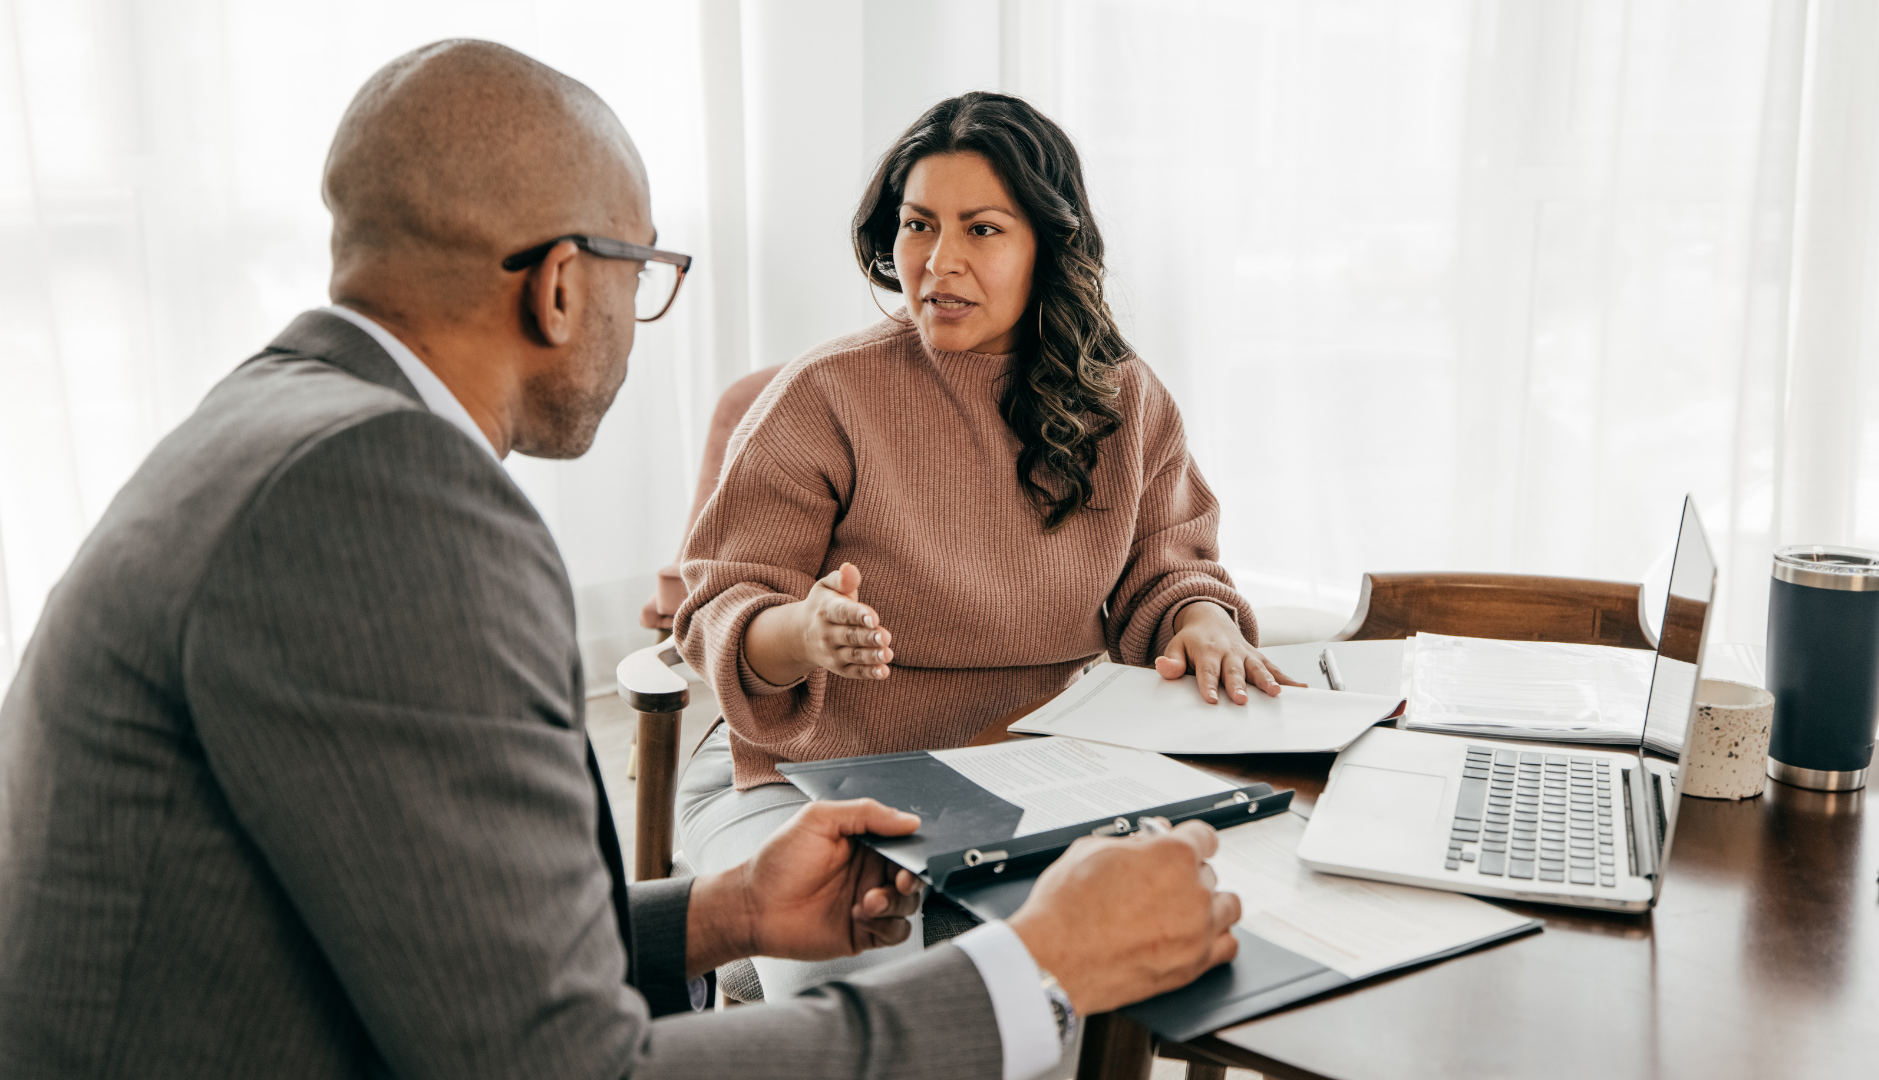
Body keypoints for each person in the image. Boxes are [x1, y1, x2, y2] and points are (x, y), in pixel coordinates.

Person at [0, 43, 1241, 1080]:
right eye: (642, 273)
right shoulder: (385, 500)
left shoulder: (284, 424)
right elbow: (571, 1066)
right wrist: (1033, 973)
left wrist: (727, 914)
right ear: (557, 286)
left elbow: (461, 943)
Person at [675, 91, 1295, 999]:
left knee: (1124, 970)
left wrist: (1198, 619)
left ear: (1048, 243)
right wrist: (799, 633)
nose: (940, 261)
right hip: (813, 776)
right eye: (919, 224)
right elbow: (719, 609)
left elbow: (1170, 564)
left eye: (983, 229)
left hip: (1033, 775)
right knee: (878, 1012)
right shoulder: (825, 396)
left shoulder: (1123, 400)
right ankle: (761, 981)